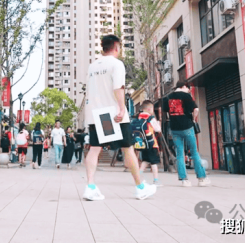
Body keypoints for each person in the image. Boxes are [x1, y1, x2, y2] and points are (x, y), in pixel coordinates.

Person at [83, 35, 156, 201]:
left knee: (94, 149)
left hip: (96, 114)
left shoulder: (92, 67)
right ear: (116, 47)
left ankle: (90, 186)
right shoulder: (116, 64)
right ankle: (140, 188)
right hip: (114, 114)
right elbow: (118, 88)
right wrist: (122, 109)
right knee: (127, 148)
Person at [163, 81, 210, 187]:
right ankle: (201, 179)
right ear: (184, 86)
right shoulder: (186, 96)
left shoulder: (167, 97)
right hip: (187, 126)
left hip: (174, 128)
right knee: (194, 152)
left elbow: (166, 112)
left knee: (179, 154)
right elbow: (196, 109)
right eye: (188, 88)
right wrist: (193, 119)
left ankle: (184, 180)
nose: (189, 90)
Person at [137, 100, 162, 186]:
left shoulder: (139, 117)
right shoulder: (151, 118)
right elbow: (158, 129)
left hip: (143, 143)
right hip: (152, 143)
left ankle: (138, 178)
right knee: (154, 162)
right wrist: (158, 123)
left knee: (145, 161)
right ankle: (156, 180)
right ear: (149, 109)